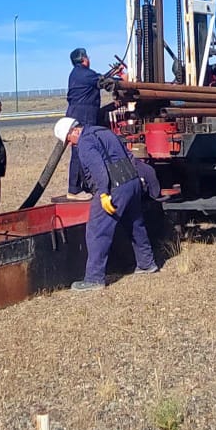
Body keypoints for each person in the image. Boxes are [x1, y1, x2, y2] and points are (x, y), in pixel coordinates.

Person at [54, 116, 159, 291]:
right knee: (135, 224)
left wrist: (103, 193)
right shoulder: (103, 131)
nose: (71, 144)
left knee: (97, 230)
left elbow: (98, 169)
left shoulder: (85, 142)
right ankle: (147, 263)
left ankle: (94, 279)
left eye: (68, 139)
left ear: (74, 131)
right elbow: (129, 155)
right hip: (132, 182)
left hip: (114, 187)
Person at [66, 48, 102, 195]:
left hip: (78, 114)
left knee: (82, 151)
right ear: (84, 59)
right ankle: (74, 189)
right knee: (79, 151)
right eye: (87, 57)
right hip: (83, 116)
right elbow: (102, 81)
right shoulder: (85, 74)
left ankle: (85, 185)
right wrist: (123, 80)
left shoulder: (76, 73)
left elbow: (99, 79)